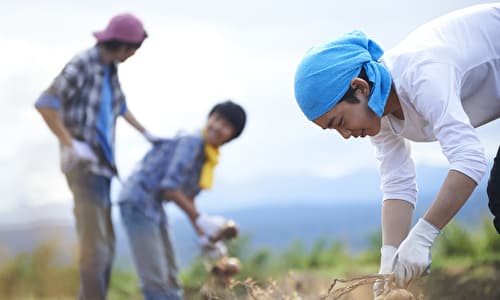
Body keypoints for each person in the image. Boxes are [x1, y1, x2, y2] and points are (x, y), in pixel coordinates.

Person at [292, 3, 500, 295]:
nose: (344, 134)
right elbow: (398, 184)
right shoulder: (379, 112)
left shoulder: (422, 74)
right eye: (333, 130)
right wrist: (388, 262)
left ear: (360, 87)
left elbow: (469, 158)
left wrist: (424, 235)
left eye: (339, 121)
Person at [35, 13, 158, 300]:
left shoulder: (109, 69)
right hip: (83, 167)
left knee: (106, 248)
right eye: (134, 50)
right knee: (95, 250)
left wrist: (147, 133)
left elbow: (120, 105)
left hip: (103, 168)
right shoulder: (83, 64)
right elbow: (46, 103)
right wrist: (70, 144)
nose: (132, 56)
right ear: (125, 46)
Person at [118, 100, 246, 300]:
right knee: (156, 279)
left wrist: (206, 237)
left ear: (232, 136)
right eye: (217, 119)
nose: (218, 127)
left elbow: (188, 199)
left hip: (154, 206)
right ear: (209, 118)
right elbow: (170, 189)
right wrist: (202, 220)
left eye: (227, 125)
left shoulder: (207, 156)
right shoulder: (192, 142)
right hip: (138, 201)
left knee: (171, 278)